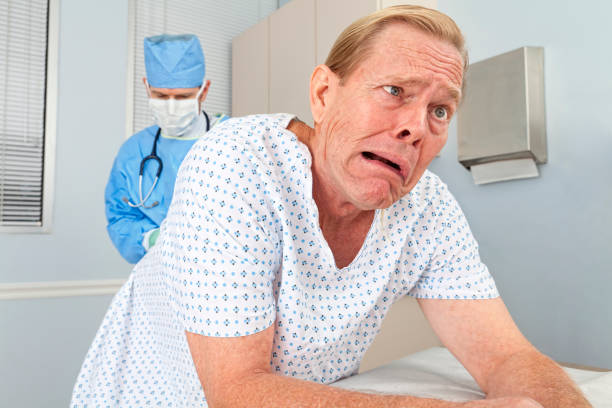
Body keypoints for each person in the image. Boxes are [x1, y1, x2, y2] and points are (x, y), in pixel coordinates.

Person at [73, 6, 591, 407]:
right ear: (324, 93)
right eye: (394, 90)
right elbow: (238, 389)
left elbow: (505, 354)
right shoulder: (238, 163)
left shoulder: (427, 207)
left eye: (440, 109)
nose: (416, 127)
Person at [105, 34, 229, 264]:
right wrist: (151, 238)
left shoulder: (235, 140)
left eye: (183, 97)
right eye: (161, 96)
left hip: (226, 274)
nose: (171, 106)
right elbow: (120, 218)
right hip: (160, 276)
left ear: (205, 90)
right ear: (146, 87)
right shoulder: (134, 152)